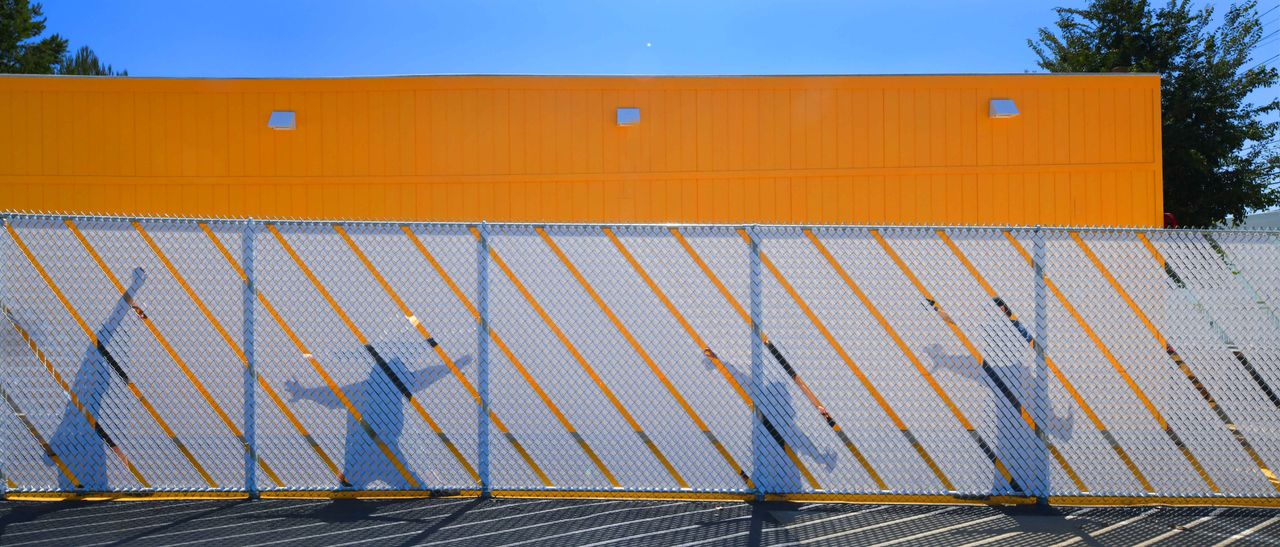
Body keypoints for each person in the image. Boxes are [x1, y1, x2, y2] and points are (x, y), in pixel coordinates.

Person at [285, 353, 459, 489]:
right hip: (380, 451)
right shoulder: (388, 387)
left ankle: (351, 485)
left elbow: (329, 396)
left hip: (362, 453)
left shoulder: (362, 389)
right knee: (414, 487)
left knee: (351, 491)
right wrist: (453, 367)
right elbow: (424, 377)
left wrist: (303, 392)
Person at [48, 267, 146, 491]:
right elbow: (113, 320)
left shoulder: (96, 362)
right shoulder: (93, 361)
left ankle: (86, 486)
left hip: (86, 437)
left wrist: (135, 287)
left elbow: (113, 321)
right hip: (84, 438)